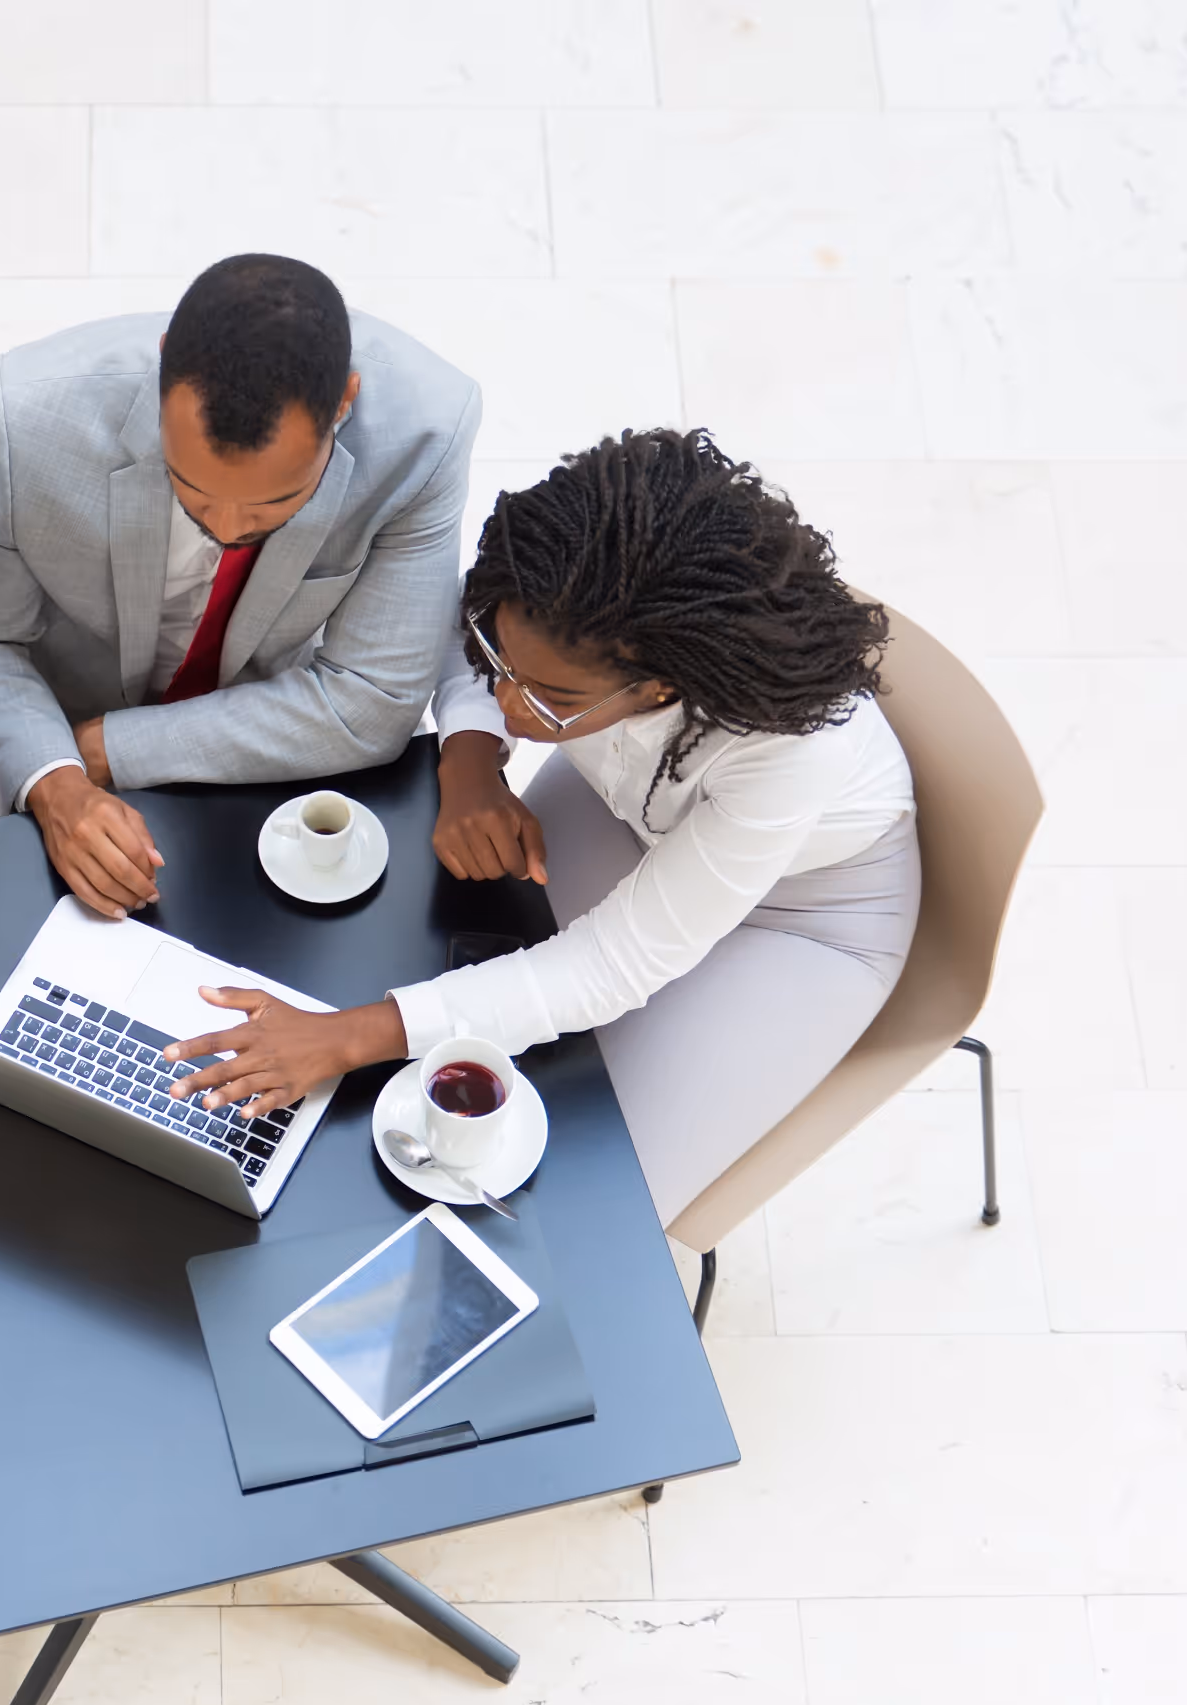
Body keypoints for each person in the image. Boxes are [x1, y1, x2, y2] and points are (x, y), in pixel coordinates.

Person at [155, 429, 918, 1227]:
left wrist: (346, 1038)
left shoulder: (791, 753)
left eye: (548, 698)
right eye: (500, 664)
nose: (511, 705)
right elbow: (456, 625)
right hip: (630, 815)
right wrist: (471, 758)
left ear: (661, 689)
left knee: (593, 1205)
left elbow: (611, 967)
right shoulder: (558, 600)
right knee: (437, 998)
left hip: (807, 914)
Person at [0, 252, 479, 920]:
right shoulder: (23, 416)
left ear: (345, 403)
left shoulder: (428, 434)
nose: (229, 528)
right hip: (28, 714)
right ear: (159, 367)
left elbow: (374, 700)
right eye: (194, 491)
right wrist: (53, 778)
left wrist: (109, 749)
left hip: (242, 733)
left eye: (276, 504)